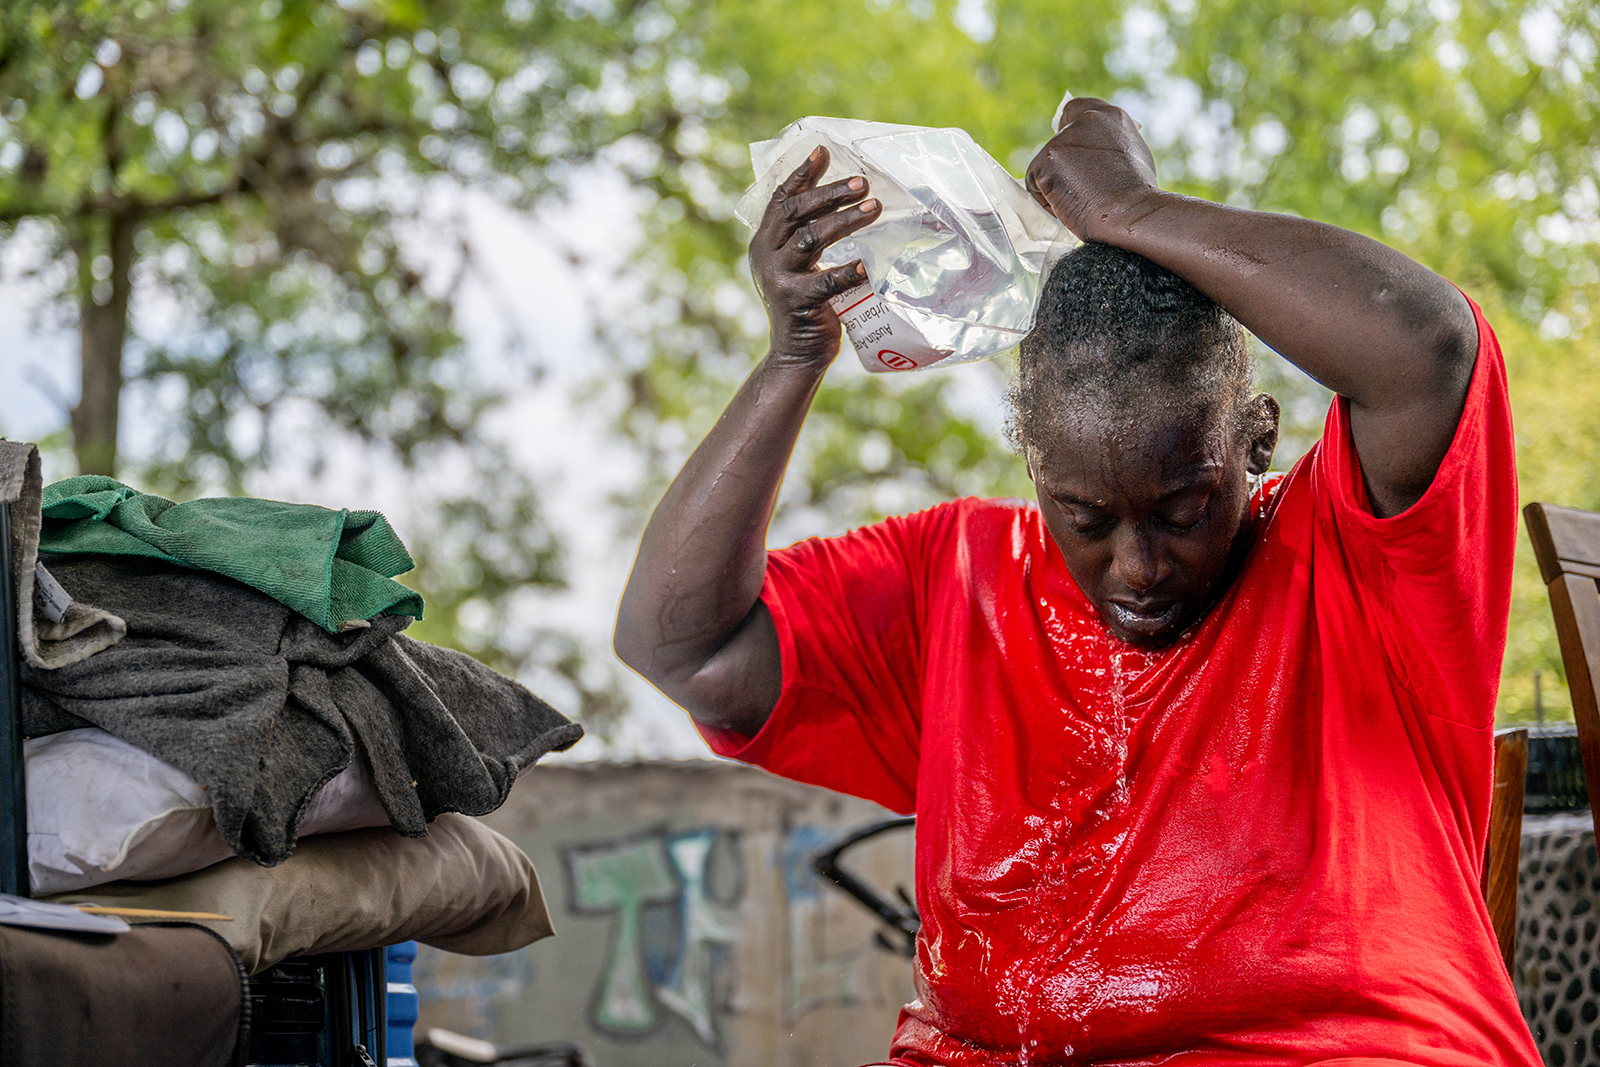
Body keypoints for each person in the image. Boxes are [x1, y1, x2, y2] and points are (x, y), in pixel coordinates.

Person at [613, 97, 1541, 1065]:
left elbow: (1428, 351)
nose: (1137, 566)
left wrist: (1131, 210)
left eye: (1181, 510)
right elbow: (686, 645)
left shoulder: (1350, 559)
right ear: (1033, 467)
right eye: (1086, 519)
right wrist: (793, 357)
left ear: (1256, 438)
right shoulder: (958, 582)